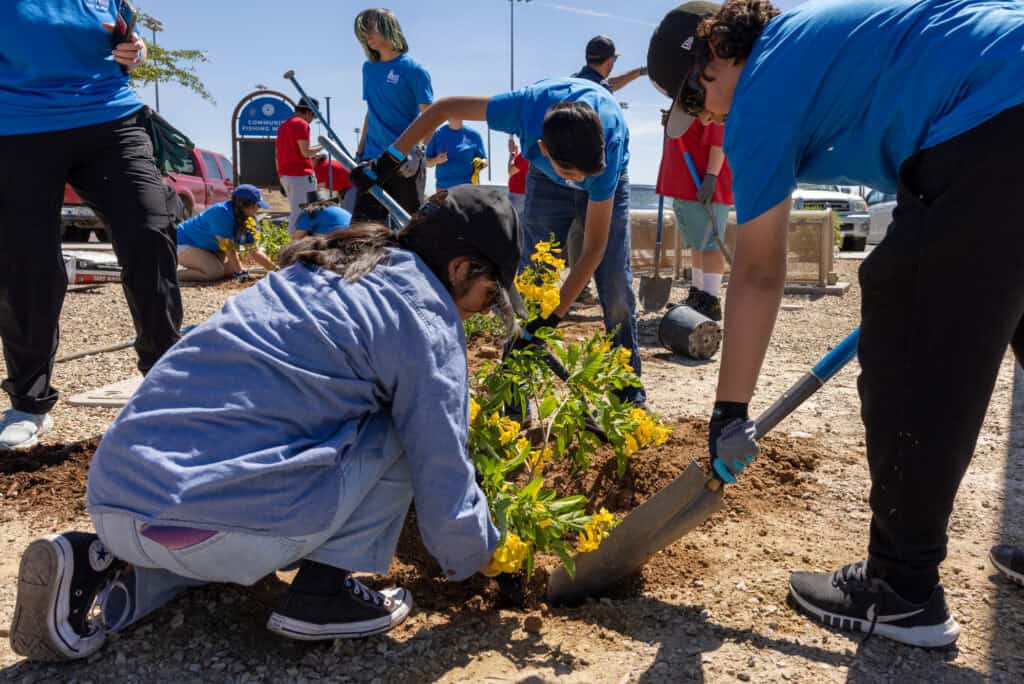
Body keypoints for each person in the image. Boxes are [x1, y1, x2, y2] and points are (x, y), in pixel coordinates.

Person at [9, 185, 525, 661]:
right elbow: (440, 468)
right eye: (489, 294)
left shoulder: (326, 265)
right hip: (213, 528)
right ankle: (321, 596)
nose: (483, 310)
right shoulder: (424, 315)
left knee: (213, 489)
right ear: (460, 268)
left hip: (116, 495)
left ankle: (98, 560)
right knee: (399, 423)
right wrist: (487, 555)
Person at [648, 0, 1024, 649]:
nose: (706, 115)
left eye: (695, 93)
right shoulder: (815, 42)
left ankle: (901, 590)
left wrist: (729, 412)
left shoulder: (763, 84)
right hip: (1002, 94)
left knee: (905, 316)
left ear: (717, 51)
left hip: (992, 120)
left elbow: (760, 272)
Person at [351, 78, 645, 405]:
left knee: (616, 282)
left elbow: (593, 249)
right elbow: (444, 108)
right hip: (547, 181)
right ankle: (514, 396)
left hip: (608, 177)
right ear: (543, 148)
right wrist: (388, 160)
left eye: (584, 176)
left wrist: (550, 320)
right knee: (532, 274)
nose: (581, 183)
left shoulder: (605, 156)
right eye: (573, 174)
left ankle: (628, 391)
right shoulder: (522, 109)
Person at [0, 1, 183, 449]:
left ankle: (165, 385)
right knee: (27, 262)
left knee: (149, 230)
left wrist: (134, 50)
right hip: (17, 126)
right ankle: (29, 401)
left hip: (109, 117)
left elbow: (125, 42)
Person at [565, 35, 648, 306]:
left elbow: (610, 84)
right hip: (597, 167)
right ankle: (594, 293)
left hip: (572, 168)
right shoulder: (596, 89)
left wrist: (638, 72)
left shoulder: (578, 81)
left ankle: (579, 290)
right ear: (609, 61)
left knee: (579, 228)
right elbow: (608, 86)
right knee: (604, 238)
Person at [353, 8, 433, 221]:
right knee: (363, 229)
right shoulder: (368, 69)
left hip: (405, 159)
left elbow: (430, 117)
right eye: (363, 31)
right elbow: (371, 112)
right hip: (373, 160)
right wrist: (360, 152)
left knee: (411, 227)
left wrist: (421, 153)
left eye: (372, 29)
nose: (367, 36)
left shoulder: (415, 70)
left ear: (389, 28)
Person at [655, 116, 733, 321]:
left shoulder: (711, 104)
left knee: (709, 246)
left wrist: (711, 176)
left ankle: (711, 300)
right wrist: (674, 124)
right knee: (697, 245)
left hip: (702, 187)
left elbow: (719, 140)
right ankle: (698, 294)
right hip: (686, 187)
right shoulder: (686, 108)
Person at [175, 185, 277, 282]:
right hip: (182, 242)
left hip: (206, 247)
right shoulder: (221, 213)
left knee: (230, 269)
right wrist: (240, 273)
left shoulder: (249, 219)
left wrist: (275, 269)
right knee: (214, 272)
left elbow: (253, 250)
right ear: (244, 205)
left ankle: (209, 269)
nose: (259, 208)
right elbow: (228, 249)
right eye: (257, 205)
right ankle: (170, 276)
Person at [276, 97, 322, 234]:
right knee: (301, 215)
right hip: (300, 175)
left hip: (286, 175)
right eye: (313, 116)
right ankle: (293, 249)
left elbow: (277, 154)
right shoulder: (301, 124)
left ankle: (296, 246)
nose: (312, 120)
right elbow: (305, 152)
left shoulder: (283, 126)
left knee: (297, 212)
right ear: (309, 112)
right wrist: (323, 145)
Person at [425, 119, 487, 191]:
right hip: (444, 190)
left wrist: (481, 164)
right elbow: (426, 162)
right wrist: (436, 160)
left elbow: (484, 160)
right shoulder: (437, 134)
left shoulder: (474, 135)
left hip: (469, 189)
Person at [506, 137, 529, 215]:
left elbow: (510, 171)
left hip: (518, 196)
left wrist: (511, 154)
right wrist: (515, 155)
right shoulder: (529, 154)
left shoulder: (524, 155)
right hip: (522, 195)